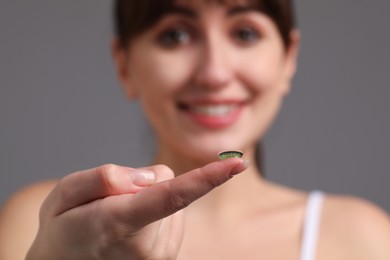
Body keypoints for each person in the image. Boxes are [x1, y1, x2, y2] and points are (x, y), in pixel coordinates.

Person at [1, 0, 390, 259]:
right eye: (175, 35)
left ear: (288, 59)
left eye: (245, 33)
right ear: (124, 65)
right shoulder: (48, 221)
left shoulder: (363, 237)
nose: (214, 74)